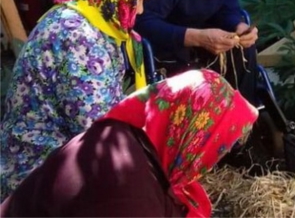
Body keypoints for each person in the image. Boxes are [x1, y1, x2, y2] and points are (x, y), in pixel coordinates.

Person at [0, 0, 156, 198]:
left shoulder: (87, 17)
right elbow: (94, 130)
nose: (140, 11)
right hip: (37, 167)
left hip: (46, 153)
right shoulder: (80, 37)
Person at [0, 69, 258, 217]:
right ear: (191, 135)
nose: (211, 164)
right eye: (216, 149)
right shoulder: (128, 190)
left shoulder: (124, 137)